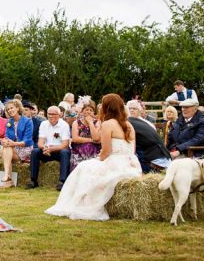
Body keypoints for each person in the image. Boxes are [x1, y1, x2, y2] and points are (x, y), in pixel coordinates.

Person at [45, 93, 141, 221]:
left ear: (106, 107)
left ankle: (79, 204)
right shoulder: (128, 125)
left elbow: (106, 152)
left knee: (85, 167)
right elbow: (132, 150)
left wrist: (98, 160)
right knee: (88, 166)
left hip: (115, 162)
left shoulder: (108, 124)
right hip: (131, 164)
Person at [28, 106, 72, 190]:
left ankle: (62, 181)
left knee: (65, 152)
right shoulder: (43, 124)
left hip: (58, 151)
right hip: (46, 150)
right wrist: (45, 148)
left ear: (59, 115)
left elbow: (65, 144)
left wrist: (51, 149)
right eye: (49, 114)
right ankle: (33, 181)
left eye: (53, 114)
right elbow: (40, 142)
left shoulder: (64, 125)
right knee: (35, 151)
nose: (51, 116)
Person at [0, 99, 34, 188]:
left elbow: (27, 141)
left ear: (18, 108)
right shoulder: (9, 122)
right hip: (13, 148)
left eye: (12, 108)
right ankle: (8, 177)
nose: (10, 110)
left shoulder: (27, 121)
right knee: (5, 148)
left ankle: (8, 177)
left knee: (5, 150)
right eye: (8, 109)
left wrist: (13, 144)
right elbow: (7, 136)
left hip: (25, 148)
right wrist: (4, 141)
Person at [69, 100, 101, 171]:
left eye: (91, 110)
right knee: (86, 146)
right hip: (78, 149)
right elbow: (75, 139)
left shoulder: (97, 123)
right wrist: (91, 140)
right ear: (82, 111)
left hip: (94, 149)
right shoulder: (76, 123)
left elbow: (97, 139)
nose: (89, 112)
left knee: (90, 147)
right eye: (86, 109)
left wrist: (90, 123)